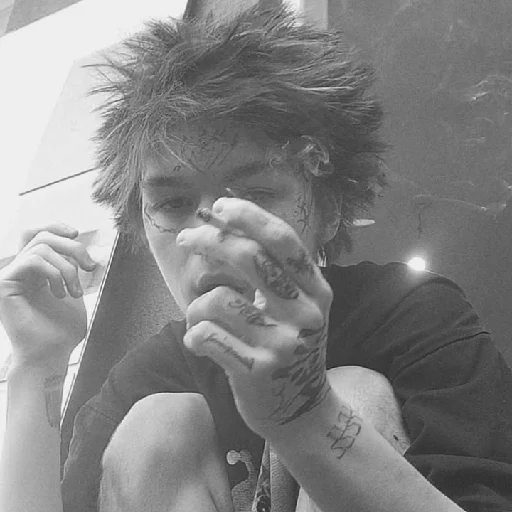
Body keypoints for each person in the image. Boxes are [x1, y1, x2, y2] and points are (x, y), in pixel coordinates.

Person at [1, 5, 512, 512]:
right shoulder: (146, 377)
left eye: (257, 193)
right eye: (173, 203)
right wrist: (36, 364)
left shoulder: (409, 314)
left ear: (330, 210)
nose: (210, 233)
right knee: (155, 428)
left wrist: (309, 417)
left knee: (355, 393)